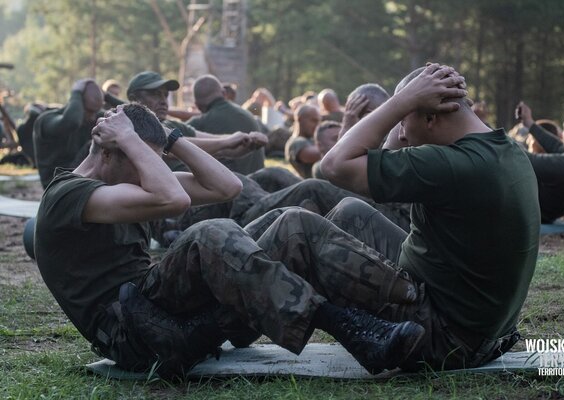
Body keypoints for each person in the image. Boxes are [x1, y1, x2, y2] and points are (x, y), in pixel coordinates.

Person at [35, 103, 425, 378]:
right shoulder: (66, 194)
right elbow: (175, 198)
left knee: (289, 222)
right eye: (137, 159)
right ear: (108, 150)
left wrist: (170, 138)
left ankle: (410, 303)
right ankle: (348, 327)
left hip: (170, 315)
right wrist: (134, 144)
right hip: (135, 334)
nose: (147, 170)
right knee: (209, 233)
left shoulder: (126, 175)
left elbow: (227, 186)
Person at [321, 63, 540, 370]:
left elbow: (334, 165)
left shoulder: (450, 165)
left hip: (445, 339)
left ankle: (234, 314)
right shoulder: (503, 149)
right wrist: (408, 105)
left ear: (431, 117)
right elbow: (389, 150)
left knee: (297, 229)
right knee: (351, 212)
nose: (400, 131)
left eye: (402, 120)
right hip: (474, 328)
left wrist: (399, 102)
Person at [125, 71, 267, 172]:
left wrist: (245, 141)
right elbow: (170, 147)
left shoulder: (173, 126)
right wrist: (228, 141)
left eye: (165, 95)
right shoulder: (131, 129)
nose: (163, 101)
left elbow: (219, 145)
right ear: (134, 98)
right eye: (156, 94)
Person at [188, 75, 266, 175]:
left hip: (234, 186)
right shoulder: (247, 114)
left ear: (197, 105)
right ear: (224, 93)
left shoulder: (198, 123)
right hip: (260, 182)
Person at [33, 79, 103, 188]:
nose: (93, 117)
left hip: (82, 181)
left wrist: (106, 95)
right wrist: (76, 93)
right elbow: (72, 121)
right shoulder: (46, 120)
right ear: (78, 103)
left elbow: (129, 117)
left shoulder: (90, 118)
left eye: (95, 112)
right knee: (93, 144)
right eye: (89, 111)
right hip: (57, 185)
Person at [285, 104, 322, 178]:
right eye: (314, 121)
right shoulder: (296, 142)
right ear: (300, 119)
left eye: (318, 122)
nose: (317, 125)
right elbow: (317, 155)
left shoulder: (312, 139)